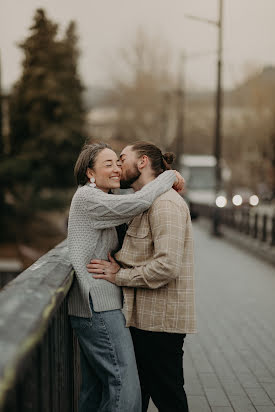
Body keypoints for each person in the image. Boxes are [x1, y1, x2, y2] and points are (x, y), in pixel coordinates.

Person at [67, 142, 184, 412]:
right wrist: (169, 175)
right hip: (97, 305)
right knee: (126, 388)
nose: (117, 169)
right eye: (108, 164)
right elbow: (138, 201)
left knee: (96, 390)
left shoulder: (100, 199)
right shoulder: (88, 197)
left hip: (95, 303)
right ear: (89, 173)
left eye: (118, 163)